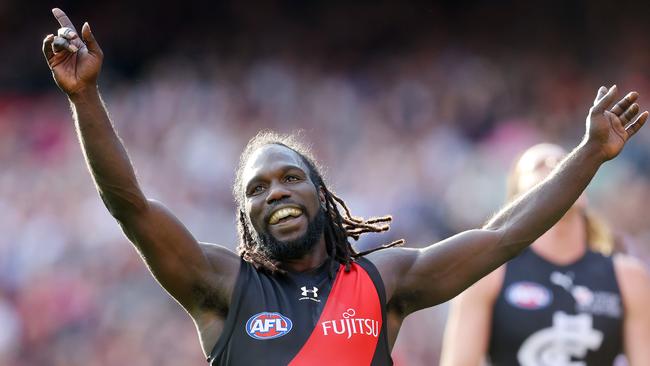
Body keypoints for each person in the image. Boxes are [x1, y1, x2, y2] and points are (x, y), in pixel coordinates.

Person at [42, 8, 648, 366]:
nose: (274, 192)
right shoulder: (219, 286)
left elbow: (506, 236)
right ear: (245, 218)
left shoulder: (387, 284)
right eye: (256, 190)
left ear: (321, 196)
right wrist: (87, 97)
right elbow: (130, 207)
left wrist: (592, 152)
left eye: (289, 178)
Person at [440, 143, 650, 366]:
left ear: (585, 193)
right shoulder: (487, 275)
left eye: (565, 161)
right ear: (517, 199)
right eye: (540, 164)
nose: (555, 166)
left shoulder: (627, 277)